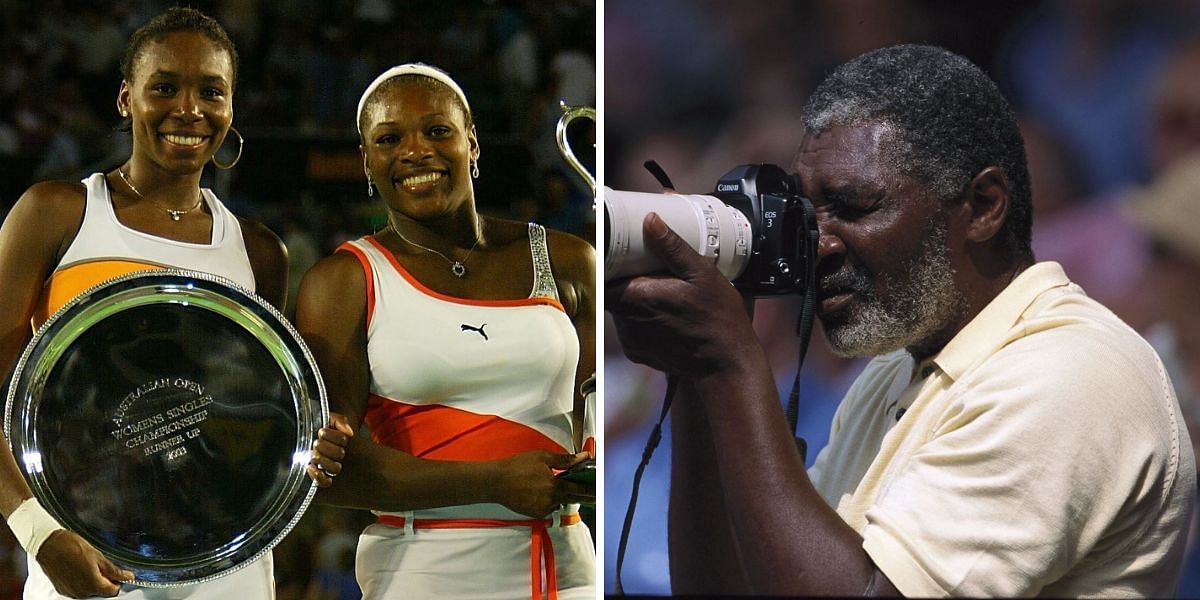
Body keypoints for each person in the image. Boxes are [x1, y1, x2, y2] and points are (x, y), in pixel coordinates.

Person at [606, 44, 1196, 596]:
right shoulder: (896, 371)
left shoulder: (1069, 374)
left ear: (985, 206)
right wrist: (691, 377)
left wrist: (728, 365)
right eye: (807, 217)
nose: (820, 245)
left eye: (855, 208)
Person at [0, 8, 286, 599]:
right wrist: (38, 532)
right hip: (84, 563)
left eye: (212, 91)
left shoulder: (259, 251)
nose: (189, 110)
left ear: (232, 108)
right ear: (127, 98)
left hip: (228, 571)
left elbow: (257, 417)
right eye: (165, 87)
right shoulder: (56, 214)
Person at [296, 63, 596, 599]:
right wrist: (492, 482)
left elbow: (609, 407)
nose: (416, 151)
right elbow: (332, 472)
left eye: (437, 130)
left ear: (472, 143)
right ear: (367, 162)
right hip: (423, 571)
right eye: (390, 139)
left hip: (566, 566)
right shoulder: (341, 282)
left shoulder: (569, 259)